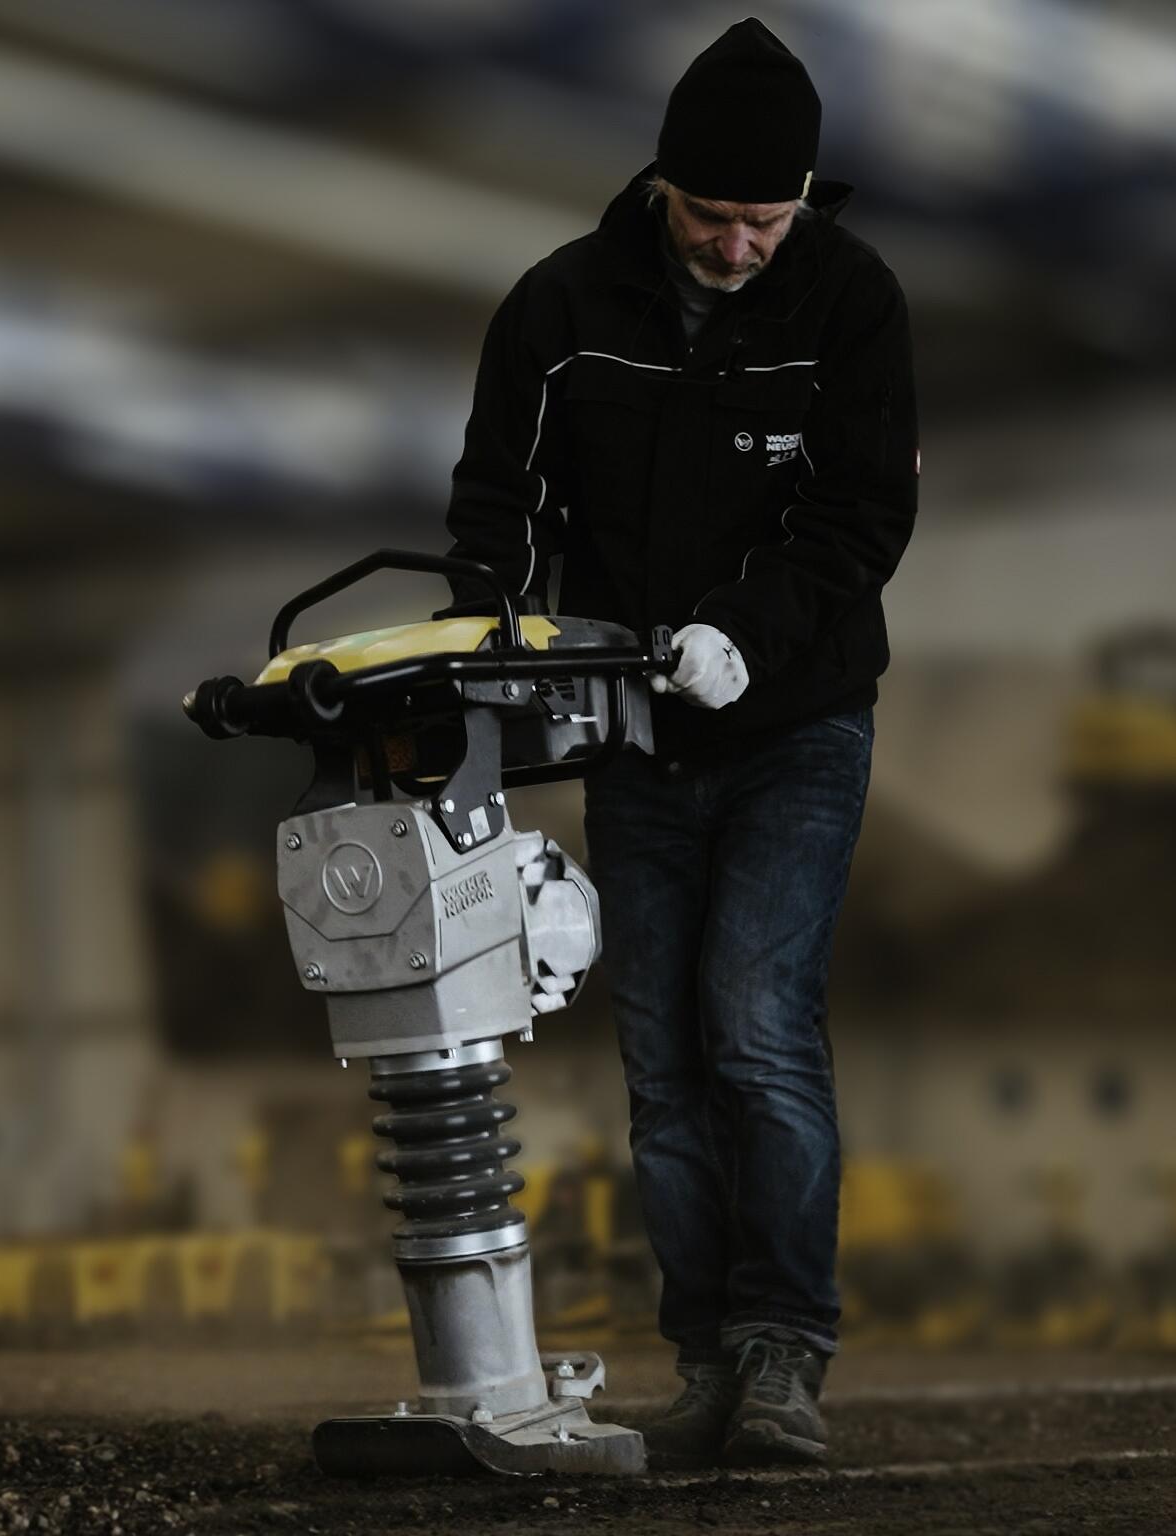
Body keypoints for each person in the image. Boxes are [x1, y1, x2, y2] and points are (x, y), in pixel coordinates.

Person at [442, 17, 918, 1467]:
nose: (738, 247)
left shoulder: (850, 298)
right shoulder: (560, 306)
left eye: (766, 220)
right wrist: (488, 644)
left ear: (803, 200)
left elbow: (861, 516)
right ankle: (706, 1358)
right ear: (663, 185)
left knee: (753, 1025)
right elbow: (499, 502)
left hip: (798, 723)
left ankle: (783, 1352)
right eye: (713, 216)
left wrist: (744, 632)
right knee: (658, 1062)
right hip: (636, 735)